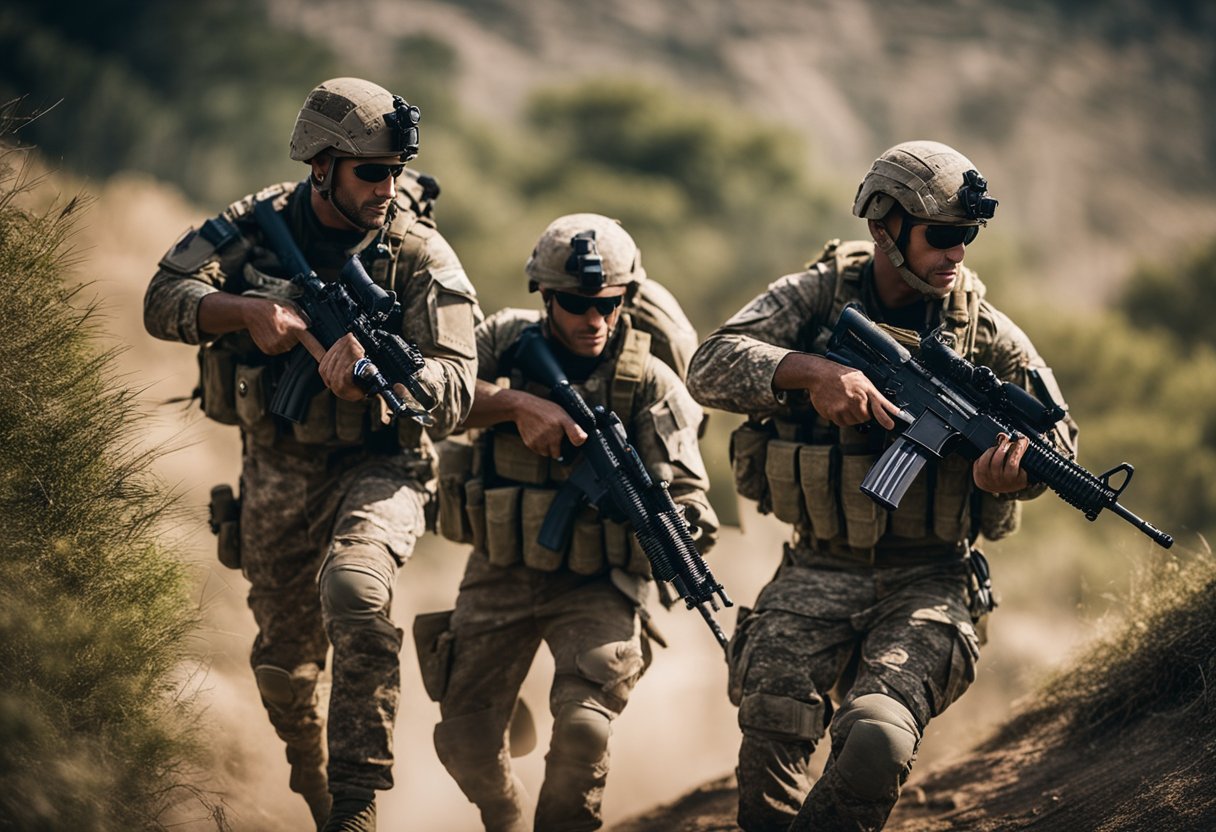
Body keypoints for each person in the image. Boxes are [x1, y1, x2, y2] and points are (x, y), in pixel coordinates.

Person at [686, 140, 1079, 832]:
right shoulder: (814, 296)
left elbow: (1061, 446)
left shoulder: (986, 335)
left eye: (968, 238)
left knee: (875, 738)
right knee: (772, 725)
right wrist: (812, 375)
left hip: (930, 580)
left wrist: (1015, 478)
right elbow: (709, 365)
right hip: (815, 568)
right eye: (942, 236)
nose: (957, 253)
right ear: (882, 227)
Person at [143, 77, 479, 831]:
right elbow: (161, 298)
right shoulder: (257, 224)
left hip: (381, 465)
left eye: (396, 170)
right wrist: (246, 312)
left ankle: (356, 804)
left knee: (357, 595)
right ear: (320, 166)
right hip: (277, 466)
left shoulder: (419, 253)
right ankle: (315, 781)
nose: (387, 187)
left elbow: (458, 391)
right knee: (284, 670)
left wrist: (386, 378)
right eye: (371, 171)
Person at [418, 213, 719, 832]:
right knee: (467, 739)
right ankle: (504, 812)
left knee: (583, 729)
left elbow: (689, 489)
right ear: (546, 297)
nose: (596, 321)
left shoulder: (650, 381)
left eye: (610, 304)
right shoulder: (507, 341)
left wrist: (681, 522)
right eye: (579, 305)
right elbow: (432, 392)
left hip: (596, 583)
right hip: (501, 568)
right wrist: (516, 404)